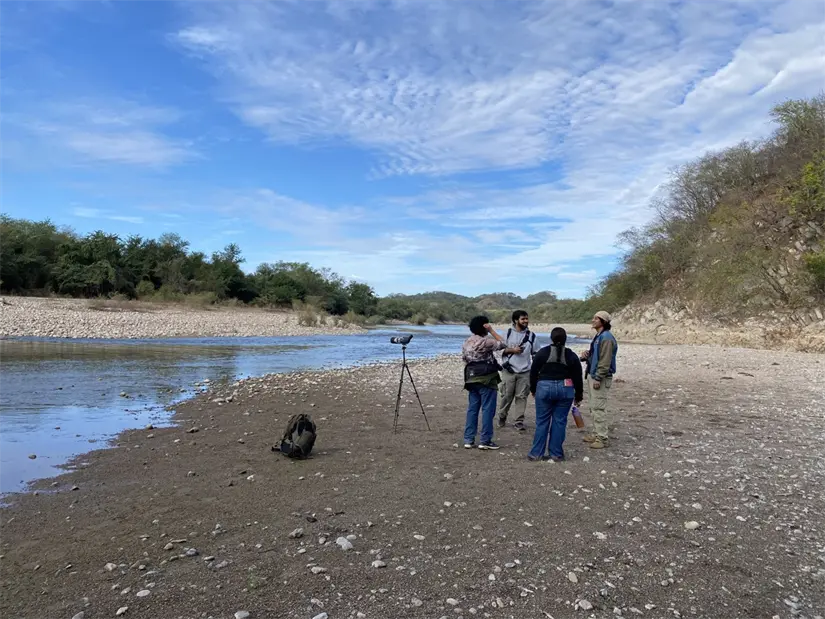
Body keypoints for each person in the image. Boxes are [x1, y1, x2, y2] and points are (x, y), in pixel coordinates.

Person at [461, 315, 523, 450]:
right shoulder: (486, 342)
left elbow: (465, 359)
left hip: (471, 379)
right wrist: (492, 331)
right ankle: (485, 440)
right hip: (487, 379)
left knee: (472, 409)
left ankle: (468, 439)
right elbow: (504, 343)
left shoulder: (466, 342)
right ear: (484, 326)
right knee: (488, 410)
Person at [528, 327, 583, 461]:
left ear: (551, 338)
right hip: (565, 389)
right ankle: (556, 454)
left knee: (542, 422)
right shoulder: (571, 355)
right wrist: (579, 395)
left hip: (544, 387)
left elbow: (533, 372)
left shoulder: (542, 353)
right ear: (565, 339)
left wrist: (533, 389)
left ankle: (536, 453)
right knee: (559, 421)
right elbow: (577, 376)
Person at [579, 310, 618, 449]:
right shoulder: (599, 336)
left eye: (596, 318)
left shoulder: (606, 337)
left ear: (604, 321)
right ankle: (596, 434)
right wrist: (586, 356)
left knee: (598, 407)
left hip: (599, 377)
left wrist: (598, 377)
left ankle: (602, 438)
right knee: (593, 406)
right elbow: (598, 356)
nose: (593, 320)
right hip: (593, 374)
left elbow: (605, 360)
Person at [497, 310, 538, 431]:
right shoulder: (507, 334)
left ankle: (519, 421)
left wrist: (537, 371)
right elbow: (498, 350)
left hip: (525, 372)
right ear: (515, 320)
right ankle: (502, 416)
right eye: (523, 319)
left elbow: (536, 354)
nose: (526, 321)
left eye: (526, 318)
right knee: (506, 396)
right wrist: (511, 350)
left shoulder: (532, 336)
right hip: (508, 371)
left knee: (522, 397)